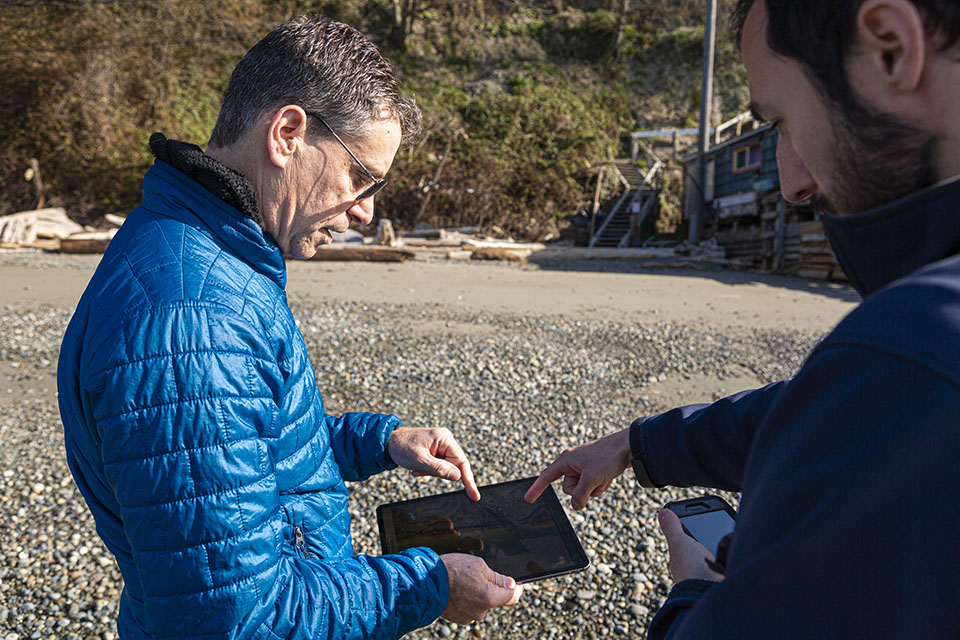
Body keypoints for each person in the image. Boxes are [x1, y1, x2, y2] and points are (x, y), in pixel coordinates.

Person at [57, 15, 521, 640]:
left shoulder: (210, 255)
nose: (364, 212)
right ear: (287, 133)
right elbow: (239, 619)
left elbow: (246, 441)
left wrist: (379, 441)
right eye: (361, 177)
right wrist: (429, 585)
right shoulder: (194, 322)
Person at [526, 0, 960, 637]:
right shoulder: (907, 374)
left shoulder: (913, 344)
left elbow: (872, 397)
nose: (791, 185)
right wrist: (633, 445)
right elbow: (835, 415)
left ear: (891, 47)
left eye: (781, 121)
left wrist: (694, 599)